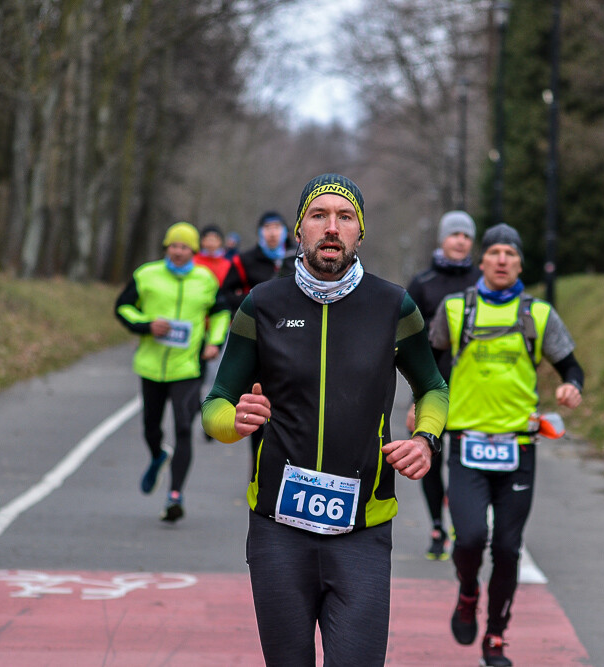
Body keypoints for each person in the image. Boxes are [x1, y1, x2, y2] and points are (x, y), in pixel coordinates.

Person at [201, 173, 449, 666]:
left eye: (345, 217)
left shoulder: (393, 306)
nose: (331, 227)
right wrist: (235, 421)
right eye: (319, 215)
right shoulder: (262, 305)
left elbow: (434, 388)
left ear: (360, 233)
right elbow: (216, 403)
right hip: (277, 527)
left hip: (363, 529)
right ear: (299, 230)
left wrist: (426, 439)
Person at [428, 223, 584, 667]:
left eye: (509, 254)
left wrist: (572, 387)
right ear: (481, 262)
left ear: (519, 264)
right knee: (471, 538)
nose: (500, 259)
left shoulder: (538, 315)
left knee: (509, 549)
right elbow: (432, 365)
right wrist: (425, 404)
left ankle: (495, 635)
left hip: (518, 447)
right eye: (493, 252)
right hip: (467, 444)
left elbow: (572, 366)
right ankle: (467, 590)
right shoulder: (455, 310)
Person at [114, 222, 230, 522]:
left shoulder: (204, 279)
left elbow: (219, 313)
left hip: (187, 367)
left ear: (193, 251)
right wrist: (146, 324)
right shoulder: (147, 274)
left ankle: (175, 495)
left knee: (183, 428)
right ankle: (157, 456)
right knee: (151, 428)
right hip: (151, 366)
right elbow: (122, 307)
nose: (178, 252)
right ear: (166, 248)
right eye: (174, 246)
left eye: (185, 247)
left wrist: (214, 342)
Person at [405, 210, 481, 561]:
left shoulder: (483, 280)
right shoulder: (423, 283)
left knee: (465, 463)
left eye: (466, 235)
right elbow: (409, 342)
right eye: (454, 234)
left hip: (475, 392)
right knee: (430, 456)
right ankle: (437, 525)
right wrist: (415, 398)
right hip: (432, 387)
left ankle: (464, 525)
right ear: (442, 239)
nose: (460, 240)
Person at [219, 210, 299, 465]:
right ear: (260, 232)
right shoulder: (245, 261)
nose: (272, 232)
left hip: (295, 344)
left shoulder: (301, 256)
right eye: (267, 227)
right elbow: (223, 295)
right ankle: (259, 478)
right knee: (259, 415)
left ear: (286, 231)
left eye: (277, 227)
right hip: (258, 345)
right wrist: (252, 304)